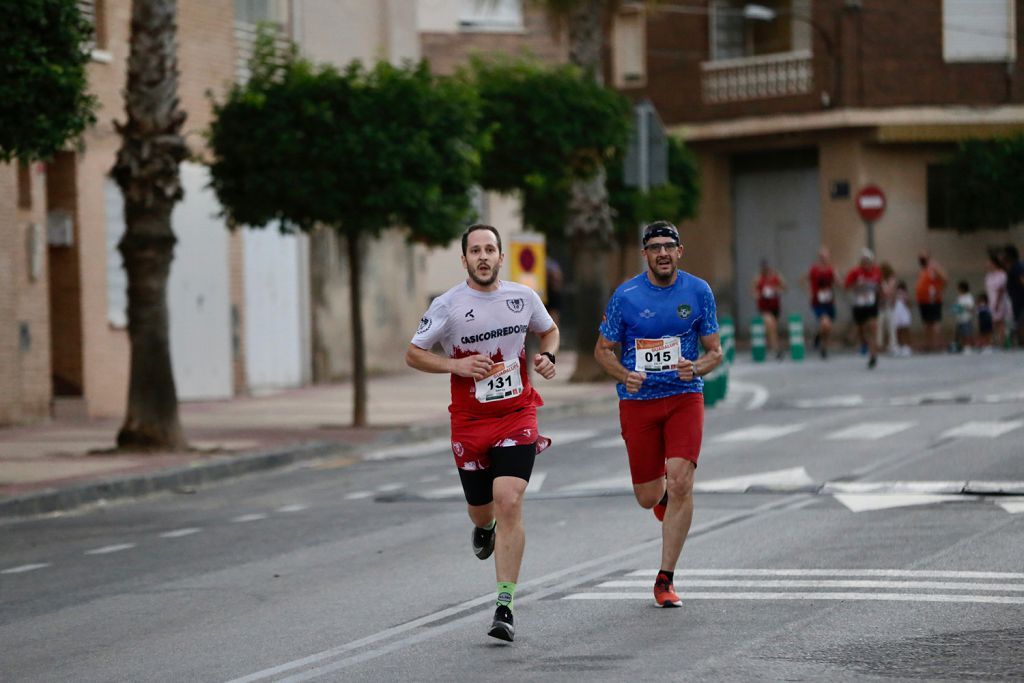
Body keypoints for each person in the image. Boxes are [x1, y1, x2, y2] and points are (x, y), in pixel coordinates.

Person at [405, 224, 559, 643]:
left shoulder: (521, 297)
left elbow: (548, 330)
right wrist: (454, 365)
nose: (484, 256)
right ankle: (483, 526)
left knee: (509, 499)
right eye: (476, 251)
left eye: (490, 249)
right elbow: (414, 353)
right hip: (470, 422)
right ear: (465, 260)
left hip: (516, 412)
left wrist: (546, 355)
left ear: (501, 256)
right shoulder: (448, 305)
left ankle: (504, 605)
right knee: (482, 508)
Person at [594, 220, 723, 608]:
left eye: (669, 246)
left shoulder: (699, 292)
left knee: (682, 481)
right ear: (645, 254)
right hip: (639, 402)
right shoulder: (626, 295)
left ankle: (665, 579)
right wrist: (624, 375)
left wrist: (696, 368)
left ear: (680, 251)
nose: (663, 253)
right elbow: (603, 350)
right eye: (655, 248)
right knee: (649, 497)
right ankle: (664, 499)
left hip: (685, 396)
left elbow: (715, 351)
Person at [844, 248, 882, 369]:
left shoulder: (876, 272)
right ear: (861, 262)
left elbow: (879, 286)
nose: (866, 263)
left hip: (871, 305)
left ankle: (873, 356)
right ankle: (864, 343)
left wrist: (880, 293)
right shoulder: (855, 272)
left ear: (872, 261)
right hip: (859, 306)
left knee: (872, 328)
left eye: (868, 261)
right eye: (864, 261)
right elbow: (847, 286)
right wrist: (857, 285)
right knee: (861, 331)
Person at [803, 246, 836, 359]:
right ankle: (823, 349)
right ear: (818, 257)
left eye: (825, 256)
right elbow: (805, 280)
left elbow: (837, 281)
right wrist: (810, 292)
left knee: (828, 327)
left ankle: (821, 342)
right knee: (825, 323)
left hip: (829, 302)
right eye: (821, 256)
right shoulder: (814, 269)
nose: (823, 258)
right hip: (818, 302)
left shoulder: (831, 269)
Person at [752, 260, 786, 360]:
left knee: (772, 329)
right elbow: (753, 291)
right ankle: (776, 350)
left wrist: (777, 290)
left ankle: (771, 344)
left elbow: (784, 287)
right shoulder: (758, 279)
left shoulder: (776, 277)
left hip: (775, 308)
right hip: (764, 308)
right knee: (771, 325)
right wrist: (759, 295)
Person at [915, 250, 947, 352]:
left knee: (935, 323)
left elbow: (945, 279)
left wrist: (939, 291)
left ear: (928, 258)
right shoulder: (923, 269)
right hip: (923, 301)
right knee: (927, 323)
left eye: (923, 257)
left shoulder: (934, 267)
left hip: (932, 300)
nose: (921, 259)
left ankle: (936, 345)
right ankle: (929, 345)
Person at [985, 249, 1010, 349]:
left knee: (1000, 323)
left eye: (989, 262)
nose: (987, 264)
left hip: (999, 302)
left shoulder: (1002, 274)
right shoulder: (989, 276)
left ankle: (1002, 343)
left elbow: (1001, 289)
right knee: (994, 323)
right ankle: (997, 342)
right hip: (992, 301)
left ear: (994, 263)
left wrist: (997, 303)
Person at [1003, 244, 1024, 347]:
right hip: (1016, 301)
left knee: (1021, 323)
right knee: (1018, 323)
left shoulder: (1017, 266)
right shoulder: (1013, 267)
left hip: (1021, 300)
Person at [878, 261, 899, 356]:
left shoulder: (891, 279)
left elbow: (888, 291)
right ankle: (879, 345)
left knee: (891, 326)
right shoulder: (879, 279)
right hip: (881, 305)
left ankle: (892, 345)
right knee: (879, 325)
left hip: (888, 305)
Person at [952, 280, 975, 353]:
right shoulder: (959, 297)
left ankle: (968, 346)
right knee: (960, 333)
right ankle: (961, 346)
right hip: (959, 319)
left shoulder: (969, 297)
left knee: (967, 333)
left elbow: (971, 308)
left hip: (966, 318)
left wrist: (963, 307)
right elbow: (957, 306)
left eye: (958, 288)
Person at [893, 280, 913, 356]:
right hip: (897, 313)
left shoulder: (906, 295)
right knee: (898, 331)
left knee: (905, 330)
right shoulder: (895, 295)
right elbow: (892, 303)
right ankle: (900, 346)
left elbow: (910, 304)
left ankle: (907, 347)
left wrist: (905, 298)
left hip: (904, 313)